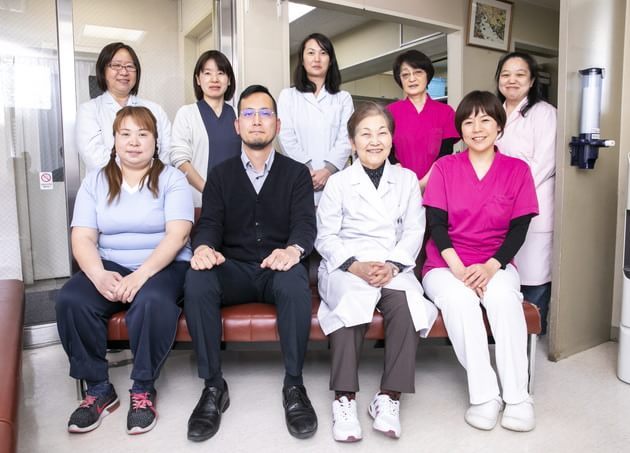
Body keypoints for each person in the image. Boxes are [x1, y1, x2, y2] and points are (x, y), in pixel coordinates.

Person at [183, 85, 318, 442]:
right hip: (235, 267)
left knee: (295, 283)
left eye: (265, 113)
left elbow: (306, 223)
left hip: (277, 266)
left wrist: (293, 250)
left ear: (277, 123)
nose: (257, 121)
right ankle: (213, 387)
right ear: (236, 125)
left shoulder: (296, 174)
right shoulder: (221, 175)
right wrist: (204, 248)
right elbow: (209, 222)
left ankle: (294, 385)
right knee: (196, 280)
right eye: (248, 113)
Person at [56, 106, 193, 435]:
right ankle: (99, 390)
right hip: (111, 263)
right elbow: (83, 238)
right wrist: (98, 274)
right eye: (126, 134)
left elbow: (177, 235)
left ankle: (143, 388)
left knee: (152, 302)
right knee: (71, 299)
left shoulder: (173, 179)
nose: (134, 142)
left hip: (164, 265)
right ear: (114, 141)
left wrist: (141, 274)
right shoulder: (95, 181)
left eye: (143, 134)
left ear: (155, 141)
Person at [315, 102, 437, 442]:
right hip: (347, 265)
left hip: (391, 262)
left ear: (391, 139)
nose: (374, 140)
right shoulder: (339, 183)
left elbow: (414, 230)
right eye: (365, 134)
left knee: (406, 304)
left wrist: (394, 265)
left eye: (382, 132)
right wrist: (353, 265)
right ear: (352, 143)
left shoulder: (407, 179)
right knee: (351, 302)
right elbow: (325, 235)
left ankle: (389, 396)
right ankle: (344, 397)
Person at [421, 91, 539, 432]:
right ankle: (486, 395)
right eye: (468, 121)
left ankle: (518, 397)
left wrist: (491, 266)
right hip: (445, 265)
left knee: (503, 298)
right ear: (460, 129)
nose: (477, 127)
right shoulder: (445, 167)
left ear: (499, 127)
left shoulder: (517, 171)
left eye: (485, 119)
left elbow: (519, 229)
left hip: (496, 264)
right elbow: (437, 225)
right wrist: (457, 268)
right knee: (460, 301)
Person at [495, 51, 556, 335]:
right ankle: (508, 330)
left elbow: (542, 163)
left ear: (531, 81)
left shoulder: (544, 114)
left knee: (533, 272)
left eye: (520, 74)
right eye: (506, 74)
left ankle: (533, 332)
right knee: (503, 270)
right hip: (495, 205)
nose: (512, 80)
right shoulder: (493, 112)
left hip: (531, 202)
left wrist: (508, 193)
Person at [278, 32, 353, 203]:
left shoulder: (343, 98)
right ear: (302, 60)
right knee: (302, 226)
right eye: (311, 53)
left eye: (323, 53)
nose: (317, 58)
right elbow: (286, 137)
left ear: (330, 60)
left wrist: (327, 171)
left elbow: (345, 139)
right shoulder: (288, 96)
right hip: (299, 178)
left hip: (335, 180)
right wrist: (307, 171)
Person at [76, 42, 172, 172]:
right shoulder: (89, 110)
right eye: (116, 65)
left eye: (130, 66)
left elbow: (167, 153)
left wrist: (147, 178)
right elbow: (95, 158)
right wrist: (136, 175)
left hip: (153, 186)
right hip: (107, 188)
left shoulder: (155, 110)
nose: (124, 71)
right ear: (102, 71)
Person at [170, 50, 241, 207]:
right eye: (207, 73)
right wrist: (208, 190)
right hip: (198, 203)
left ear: (229, 80)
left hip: (236, 201)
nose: (214, 79)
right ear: (198, 79)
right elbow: (180, 159)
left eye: (221, 73)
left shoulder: (239, 115)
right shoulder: (187, 114)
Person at [387, 50, 459, 190]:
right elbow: (387, 152)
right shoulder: (389, 112)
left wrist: (423, 184)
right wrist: (406, 181)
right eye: (405, 75)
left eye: (418, 72)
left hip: (437, 185)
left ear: (428, 75)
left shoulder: (445, 112)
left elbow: (445, 153)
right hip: (399, 185)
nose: (412, 79)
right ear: (399, 79)